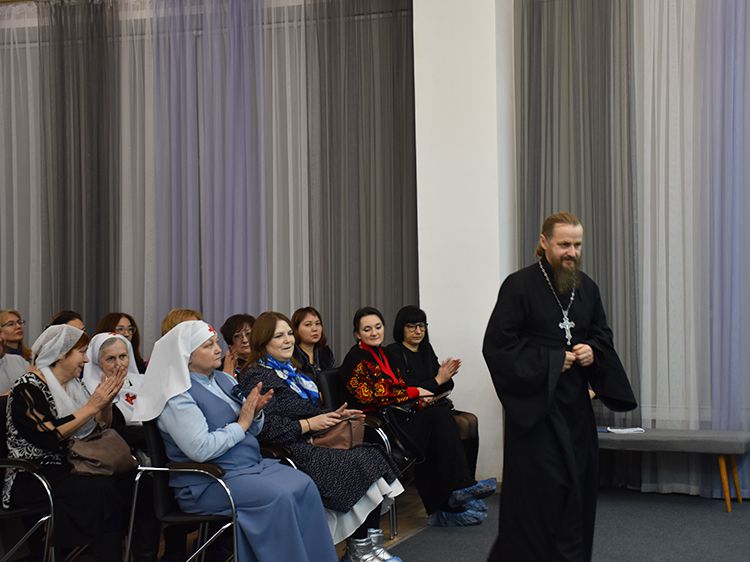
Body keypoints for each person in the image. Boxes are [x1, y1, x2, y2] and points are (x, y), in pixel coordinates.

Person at [482, 212, 637, 562]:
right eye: (564, 244)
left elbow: (602, 335)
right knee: (540, 496)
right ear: (544, 242)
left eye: (577, 245)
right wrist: (551, 361)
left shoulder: (587, 288)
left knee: (576, 492)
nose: (572, 252)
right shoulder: (519, 286)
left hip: (576, 411)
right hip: (536, 413)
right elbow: (497, 346)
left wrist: (592, 350)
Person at [132, 320, 337, 562]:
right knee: (278, 496)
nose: (218, 349)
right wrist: (242, 424)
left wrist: (256, 414)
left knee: (305, 485)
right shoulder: (176, 396)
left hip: (249, 468)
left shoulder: (225, 380)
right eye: (208, 346)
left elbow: (253, 429)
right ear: (186, 356)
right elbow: (200, 448)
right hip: (208, 481)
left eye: (216, 343)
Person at [239, 312, 404, 562]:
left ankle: (367, 546)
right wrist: (308, 424)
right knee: (358, 462)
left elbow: (308, 410)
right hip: (289, 450)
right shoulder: (257, 376)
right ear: (262, 342)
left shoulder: (291, 371)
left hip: (313, 439)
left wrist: (334, 415)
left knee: (372, 454)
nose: (288, 340)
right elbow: (266, 428)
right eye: (279, 336)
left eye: (289, 334)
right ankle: (359, 550)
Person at [341, 307, 495, 527]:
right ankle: (457, 491)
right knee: (438, 418)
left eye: (378, 327)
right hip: (380, 426)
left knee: (441, 417)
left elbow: (400, 387)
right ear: (357, 334)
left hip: (400, 414)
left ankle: (450, 501)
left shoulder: (381, 353)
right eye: (367, 329)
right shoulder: (356, 357)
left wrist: (418, 396)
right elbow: (376, 394)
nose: (374, 332)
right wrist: (416, 392)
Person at [2, 325, 131, 560]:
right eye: (81, 352)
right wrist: (91, 407)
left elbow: (99, 428)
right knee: (102, 489)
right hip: (34, 473)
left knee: (130, 481)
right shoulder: (27, 387)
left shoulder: (74, 385)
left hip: (72, 464)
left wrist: (105, 404)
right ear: (61, 354)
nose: (86, 359)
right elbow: (48, 435)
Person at [81, 332, 160, 561]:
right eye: (111, 359)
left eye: (123, 356)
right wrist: (150, 434)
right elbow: (113, 432)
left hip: (149, 452)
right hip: (115, 460)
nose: (119, 364)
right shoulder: (89, 387)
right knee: (144, 485)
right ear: (97, 362)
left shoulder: (142, 381)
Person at [387, 305, 480, 480]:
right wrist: (438, 380)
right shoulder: (394, 352)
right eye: (412, 326)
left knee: (471, 420)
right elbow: (409, 389)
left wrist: (446, 376)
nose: (418, 331)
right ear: (401, 328)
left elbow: (444, 385)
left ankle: (469, 480)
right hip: (411, 414)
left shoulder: (426, 349)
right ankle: (460, 482)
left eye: (422, 326)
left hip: (434, 407)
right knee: (460, 423)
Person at [291, 306, 336, 383]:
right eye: (308, 325)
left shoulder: (326, 352)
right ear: (296, 329)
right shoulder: (291, 355)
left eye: (318, 324)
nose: (315, 329)